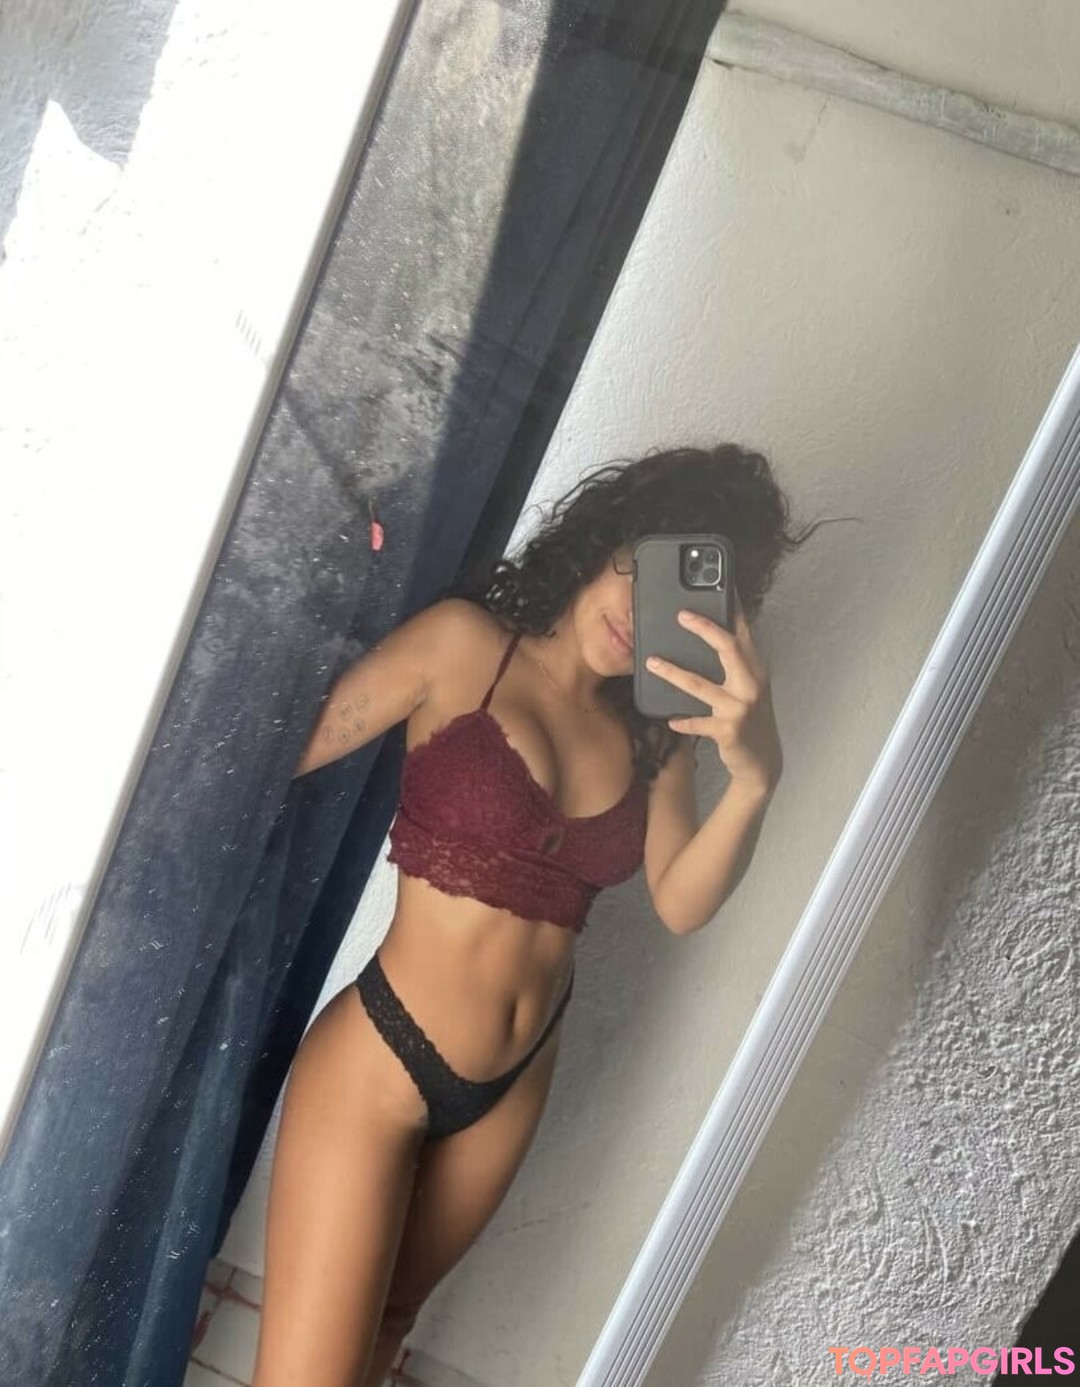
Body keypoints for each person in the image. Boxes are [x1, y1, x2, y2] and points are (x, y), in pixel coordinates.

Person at [250, 443, 817, 1387]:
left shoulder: (655, 734)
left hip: (509, 1092)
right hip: (379, 1061)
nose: (638, 616)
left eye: (676, 600)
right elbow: (276, 750)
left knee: (389, 1330)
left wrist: (757, 776)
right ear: (604, 539)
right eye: (639, 566)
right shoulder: (461, 645)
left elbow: (681, 900)